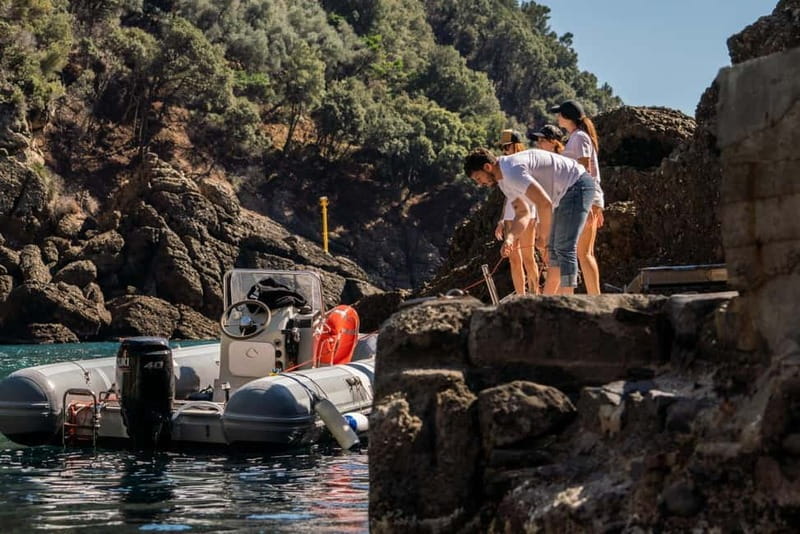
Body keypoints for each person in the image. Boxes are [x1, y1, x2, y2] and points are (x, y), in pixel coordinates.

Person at [463, 147, 595, 295]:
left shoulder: (511, 172)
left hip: (576, 185)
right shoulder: (503, 181)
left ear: (487, 167)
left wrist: (544, 237)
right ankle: (551, 302)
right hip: (563, 193)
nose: (480, 184)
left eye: (479, 179)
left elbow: (544, 203)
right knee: (555, 255)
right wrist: (510, 238)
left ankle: (569, 303)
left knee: (563, 248)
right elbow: (522, 212)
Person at [550, 100, 604, 295]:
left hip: (583, 196)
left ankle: (594, 298)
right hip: (583, 197)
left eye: (560, 114)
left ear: (568, 117)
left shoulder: (579, 137)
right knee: (580, 252)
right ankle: (584, 297)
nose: (557, 117)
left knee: (582, 253)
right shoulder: (577, 137)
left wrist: (588, 204)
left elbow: (584, 169)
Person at [496, 129, 539, 295]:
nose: (504, 151)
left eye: (507, 147)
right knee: (514, 259)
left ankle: (535, 294)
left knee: (529, 256)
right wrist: (501, 220)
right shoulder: (505, 165)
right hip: (510, 213)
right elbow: (507, 194)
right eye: (503, 148)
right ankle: (521, 296)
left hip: (529, 211)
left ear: (516, 145)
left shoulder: (527, 161)